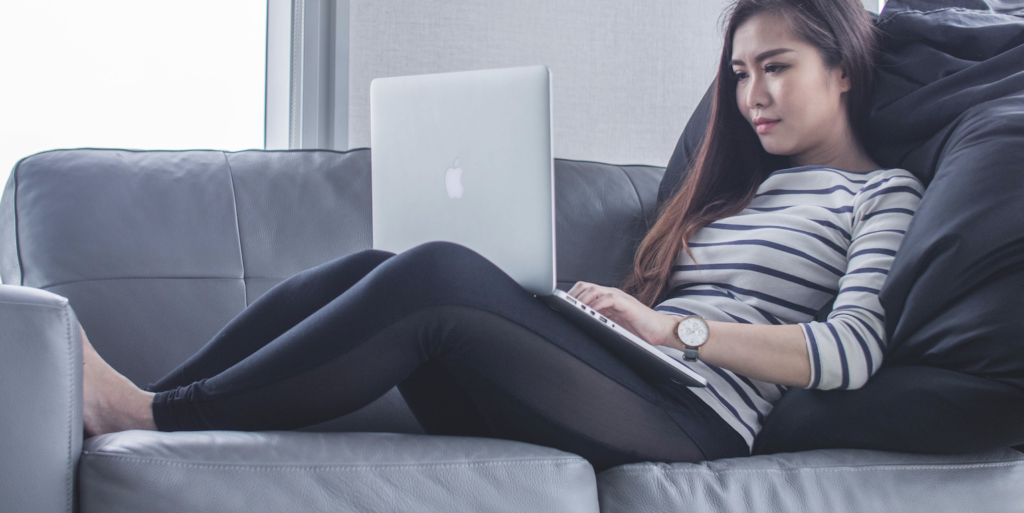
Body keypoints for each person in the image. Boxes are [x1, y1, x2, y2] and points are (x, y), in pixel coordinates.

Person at [81, 0, 924, 471]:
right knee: (390, 264)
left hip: (697, 420)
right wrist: (605, 320)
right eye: (739, 74)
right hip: (632, 380)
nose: (751, 96)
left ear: (842, 67)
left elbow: (851, 349)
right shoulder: (740, 192)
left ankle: (152, 412)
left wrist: (676, 328)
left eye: (775, 67)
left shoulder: (882, 193)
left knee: (439, 274)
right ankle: (149, 406)